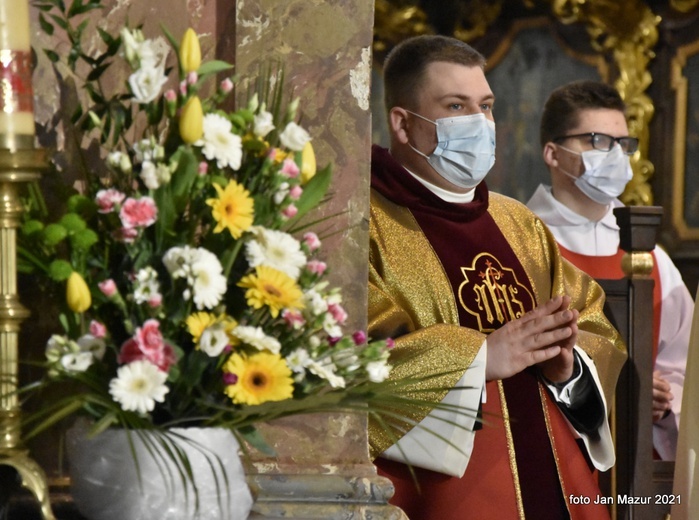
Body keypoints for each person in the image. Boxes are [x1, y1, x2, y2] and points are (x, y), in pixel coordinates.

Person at [367, 35, 627, 520]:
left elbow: (594, 328)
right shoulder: (363, 226)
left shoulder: (518, 224)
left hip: (558, 481)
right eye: (456, 106)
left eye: (485, 106)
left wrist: (569, 370)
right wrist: (481, 357)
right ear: (402, 123)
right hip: (448, 496)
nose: (480, 123)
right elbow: (350, 360)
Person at [526, 80, 693, 461]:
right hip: (551, 451)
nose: (617, 156)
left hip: (637, 462)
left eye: (624, 144)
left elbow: (684, 364)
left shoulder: (651, 257)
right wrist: (618, 391)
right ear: (553, 153)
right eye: (599, 141)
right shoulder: (521, 242)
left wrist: (662, 399)